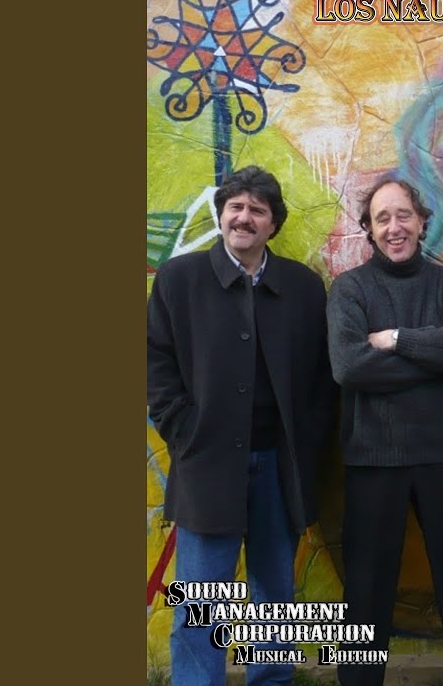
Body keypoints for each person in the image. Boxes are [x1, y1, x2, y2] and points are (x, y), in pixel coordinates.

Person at [147, 165, 335, 686]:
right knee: (203, 601)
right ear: (221, 214)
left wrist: (307, 443)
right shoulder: (179, 280)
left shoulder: (303, 287)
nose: (244, 218)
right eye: (235, 207)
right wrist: (184, 431)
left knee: (274, 596)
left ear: (273, 223)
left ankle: (271, 680)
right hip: (207, 463)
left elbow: (322, 377)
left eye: (257, 209)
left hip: (279, 466)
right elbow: (155, 364)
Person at [326, 178, 443, 686]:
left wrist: (395, 339)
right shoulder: (350, 290)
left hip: (440, 455)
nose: (394, 227)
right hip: (372, 459)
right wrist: (434, 349)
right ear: (368, 229)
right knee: (367, 585)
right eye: (382, 218)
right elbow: (350, 367)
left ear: (422, 222)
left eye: (403, 215)